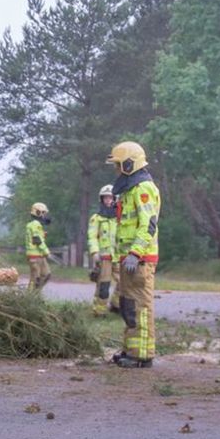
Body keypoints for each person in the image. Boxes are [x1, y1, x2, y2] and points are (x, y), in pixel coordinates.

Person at [106, 141, 161, 369]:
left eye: (118, 165)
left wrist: (136, 252)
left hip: (139, 259)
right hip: (128, 259)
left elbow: (148, 224)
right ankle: (131, 349)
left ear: (130, 165)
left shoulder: (144, 189)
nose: (116, 170)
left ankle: (143, 355)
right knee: (128, 305)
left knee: (141, 306)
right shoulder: (130, 191)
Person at [87, 184, 120, 316]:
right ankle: (99, 311)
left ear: (115, 199)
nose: (108, 200)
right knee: (103, 286)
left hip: (118, 256)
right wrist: (95, 252)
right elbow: (92, 236)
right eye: (105, 198)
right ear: (101, 200)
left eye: (110, 198)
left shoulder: (119, 218)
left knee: (124, 283)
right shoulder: (96, 218)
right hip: (104, 257)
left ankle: (116, 305)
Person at [25, 202, 51, 293]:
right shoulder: (35, 224)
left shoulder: (36, 225)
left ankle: (35, 293)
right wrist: (46, 251)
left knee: (46, 274)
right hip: (34, 256)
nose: (45, 216)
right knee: (35, 279)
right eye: (44, 213)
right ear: (39, 213)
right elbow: (37, 239)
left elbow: (36, 237)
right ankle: (30, 298)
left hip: (39, 255)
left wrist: (42, 235)